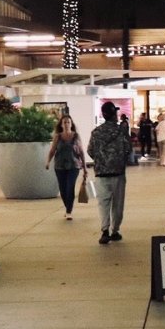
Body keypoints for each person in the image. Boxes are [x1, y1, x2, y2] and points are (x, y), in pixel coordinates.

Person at [88, 101, 134, 244]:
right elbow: (128, 149)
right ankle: (115, 231)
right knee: (118, 204)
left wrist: (101, 161)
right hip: (118, 173)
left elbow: (90, 151)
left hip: (101, 173)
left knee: (103, 204)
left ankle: (104, 231)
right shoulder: (121, 131)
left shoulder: (96, 132)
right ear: (114, 115)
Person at [45, 113, 87, 220]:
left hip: (74, 166)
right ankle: (68, 207)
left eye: (68, 122)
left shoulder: (76, 136)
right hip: (60, 166)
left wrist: (85, 167)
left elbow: (81, 152)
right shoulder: (57, 137)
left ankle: (69, 211)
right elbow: (52, 150)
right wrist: (48, 161)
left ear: (71, 124)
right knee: (63, 190)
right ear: (61, 125)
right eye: (64, 122)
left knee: (70, 187)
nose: (67, 124)